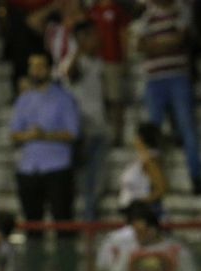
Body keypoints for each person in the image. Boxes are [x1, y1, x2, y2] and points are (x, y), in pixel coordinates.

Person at [10, 51, 80, 271]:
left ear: (49, 68)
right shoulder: (24, 99)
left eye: (40, 65)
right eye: (32, 65)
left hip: (57, 166)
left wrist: (44, 135)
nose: (35, 70)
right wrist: (30, 135)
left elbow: (73, 133)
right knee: (32, 225)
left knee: (63, 222)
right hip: (29, 168)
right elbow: (14, 134)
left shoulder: (63, 98)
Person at [135, 0, 201, 195]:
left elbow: (180, 39)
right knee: (151, 134)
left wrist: (153, 44)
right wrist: (166, 42)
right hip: (153, 80)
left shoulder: (182, 9)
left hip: (178, 77)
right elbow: (139, 45)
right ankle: (153, 181)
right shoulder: (146, 13)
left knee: (187, 128)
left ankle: (196, 177)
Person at [67, 20, 109, 221]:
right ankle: (88, 219)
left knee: (96, 177)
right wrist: (78, 49)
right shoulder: (74, 61)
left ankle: (90, 215)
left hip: (99, 127)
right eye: (91, 36)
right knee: (86, 178)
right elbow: (70, 74)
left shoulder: (98, 62)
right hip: (82, 129)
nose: (97, 39)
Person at [88, 0, 131, 145]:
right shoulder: (92, 11)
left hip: (113, 59)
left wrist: (125, 59)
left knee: (115, 98)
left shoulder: (116, 10)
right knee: (102, 98)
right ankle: (105, 131)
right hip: (95, 62)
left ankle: (117, 134)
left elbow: (123, 34)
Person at [117, 123, 167, 217]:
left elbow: (161, 188)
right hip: (130, 211)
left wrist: (141, 203)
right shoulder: (141, 159)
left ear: (141, 139)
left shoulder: (150, 160)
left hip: (140, 213)